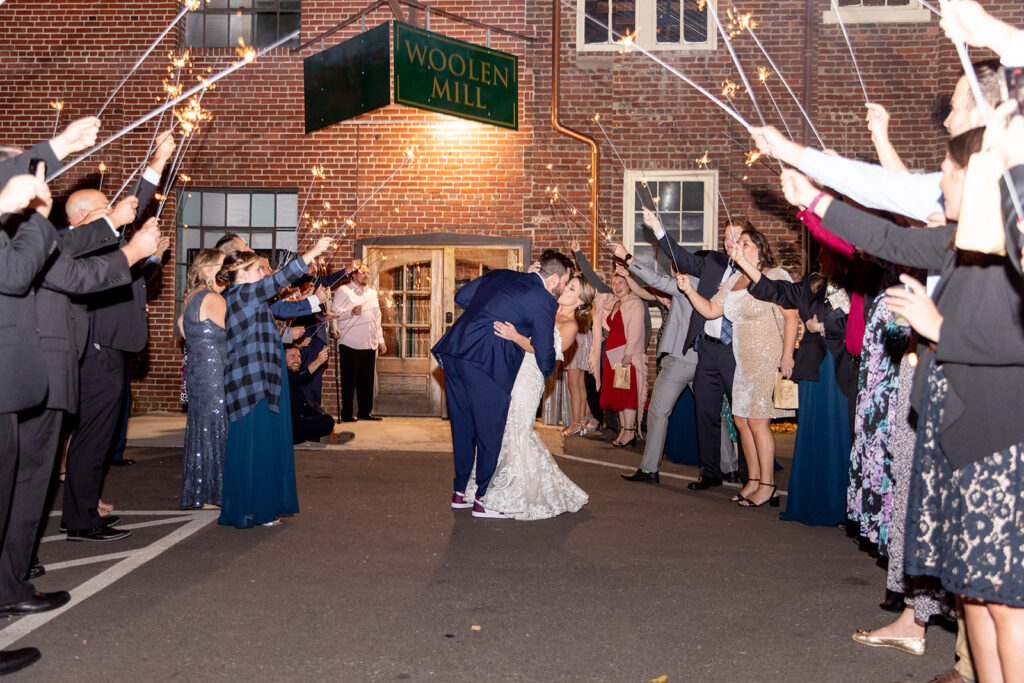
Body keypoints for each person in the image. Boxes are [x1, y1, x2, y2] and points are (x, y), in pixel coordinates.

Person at [780, 120, 1024, 681]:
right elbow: (885, 238)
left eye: (948, 171)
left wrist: (940, 329)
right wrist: (814, 199)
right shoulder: (955, 243)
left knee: (1004, 604)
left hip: (997, 441)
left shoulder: (1010, 253)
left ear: (977, 181)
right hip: (953, 429)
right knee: (974, 596)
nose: (939, 181)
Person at [62, 130, 175, 542]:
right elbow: (136, 204)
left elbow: (125, 277)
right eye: (103, 209)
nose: (113, 213)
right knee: (92, 439)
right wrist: (157, 162)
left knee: (98, 437)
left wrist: (151, 259)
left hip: (110, 351)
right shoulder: (79, 245)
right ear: (81, 218)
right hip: (97, 354)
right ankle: (81, 521)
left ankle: (83, 509)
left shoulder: (96, 248)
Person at [432, 249, 571, 518]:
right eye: (565, 282)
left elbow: (462, 297)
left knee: (462, 427)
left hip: (455, 352)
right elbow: (545, 353)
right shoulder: (544, 299)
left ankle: (460, 492)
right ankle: (485, 499)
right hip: (487, 362)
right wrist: (545, 375)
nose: (563, 288)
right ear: (554, 279)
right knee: (490, 431)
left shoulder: (500, 275)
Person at [677, 228, 799, 507]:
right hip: (741, 359)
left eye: (745, 243)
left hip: (766, 356)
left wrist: (787, 354)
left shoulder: (774, 275)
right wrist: (689, 290)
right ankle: (753, 481)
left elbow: (791, 316)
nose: (738, 246)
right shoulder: (734, 280)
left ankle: (768, 485)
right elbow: (710, 310)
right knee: (741, 420)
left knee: (758, 421)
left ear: (760, 248)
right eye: (737, 242)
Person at [217, 237, 332, 529]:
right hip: (251, 385)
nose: (264, 273)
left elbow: (275, 314)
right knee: (254, 449)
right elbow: (279, 280)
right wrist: (313, 252)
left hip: (262, 381)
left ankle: (257, 507)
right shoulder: (243, 293)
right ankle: (255, 510)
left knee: (262, 449)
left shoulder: (247, 296)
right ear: (242, 273)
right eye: (258, 269)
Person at [738, 246, 855, 525]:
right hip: (814, 369)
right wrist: (743, 262)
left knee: (838, 432)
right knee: (814, 432)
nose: (819, 257)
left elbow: (859, 325)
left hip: (841, 369)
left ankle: (842, 505)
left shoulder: (857, 285)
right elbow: (776, 290)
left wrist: (823, 328)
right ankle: (814, 501)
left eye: (825, 253)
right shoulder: (813, 284)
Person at [467, 272, 589, 520]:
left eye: (573, 289)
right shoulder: (546, 309)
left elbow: (543, 352)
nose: (566, 289)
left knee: (517, 430)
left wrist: (516, 336)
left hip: (529, 377)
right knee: (501, 428)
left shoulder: (571, 325)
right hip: (511, 369)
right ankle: (487, 488)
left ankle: (509, 498)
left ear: (581, 302)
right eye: (568, 285)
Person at [646, 209, 745, 490]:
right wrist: (659, 230)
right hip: (709, 350)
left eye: (736, 236)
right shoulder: (715, 263)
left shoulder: (752, 274)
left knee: (743, 415)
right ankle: (710, 472)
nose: (729, 241)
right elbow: (682, 257)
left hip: (736, 350)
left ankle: (750, 475)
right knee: (706, 412)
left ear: (749, 241)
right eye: (726, 236)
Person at [178, 249, 227, 509]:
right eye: (222, 265)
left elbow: (182, 326)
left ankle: (202, 491)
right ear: (208, 271)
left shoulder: (192, 297)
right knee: (217, 428)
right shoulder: (212, 298)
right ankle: (217, 492)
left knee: (203, 430)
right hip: (215, 373)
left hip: (199, 374)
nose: (227, 271)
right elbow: (238, 333)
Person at [591, 272, 647, 448]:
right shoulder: (617, 303)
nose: (616, 286)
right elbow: (602, 300)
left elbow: (635, 330)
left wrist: (629, 353)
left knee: (626, 395)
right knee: (619, 394)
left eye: (620, 283)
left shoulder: (635, 303)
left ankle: (629, 432)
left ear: (629, 284)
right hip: (613, 353)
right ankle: (624, 430)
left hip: (624, 353)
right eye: (614, 283)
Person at [331, 263, 385, 422]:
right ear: (353, 275)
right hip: (350, 342)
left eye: (367, 272)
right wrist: (351, 312)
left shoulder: (372, 293)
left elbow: (377, 318)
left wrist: (380, 339)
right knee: (349, 381)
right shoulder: (344, 291)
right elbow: (334, 313)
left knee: (366, 381)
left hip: (369, 342)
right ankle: (347, 414)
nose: (365, 275)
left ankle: (365, 412)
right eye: (362, 272)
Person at [557, 264, 597, 437]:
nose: (566, 288)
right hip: (583, 340)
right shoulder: (579, 314)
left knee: (574, 384)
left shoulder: (572, 320)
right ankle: (581, 420)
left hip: (577, 342)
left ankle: (576, 423)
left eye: (572, 287)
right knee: (579, 384)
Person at [285, 345, 352, 445]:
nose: (297, 360)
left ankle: (320, 437)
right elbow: (300, 376)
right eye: (292, 356)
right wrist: (318, 361)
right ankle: (317, 437)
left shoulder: (296, 378)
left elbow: (304, 405)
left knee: (324, 418)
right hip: (289, 429)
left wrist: (318, 411)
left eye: (299, 356)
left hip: (299, 421)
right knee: (327, 420)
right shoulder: (283, 377)